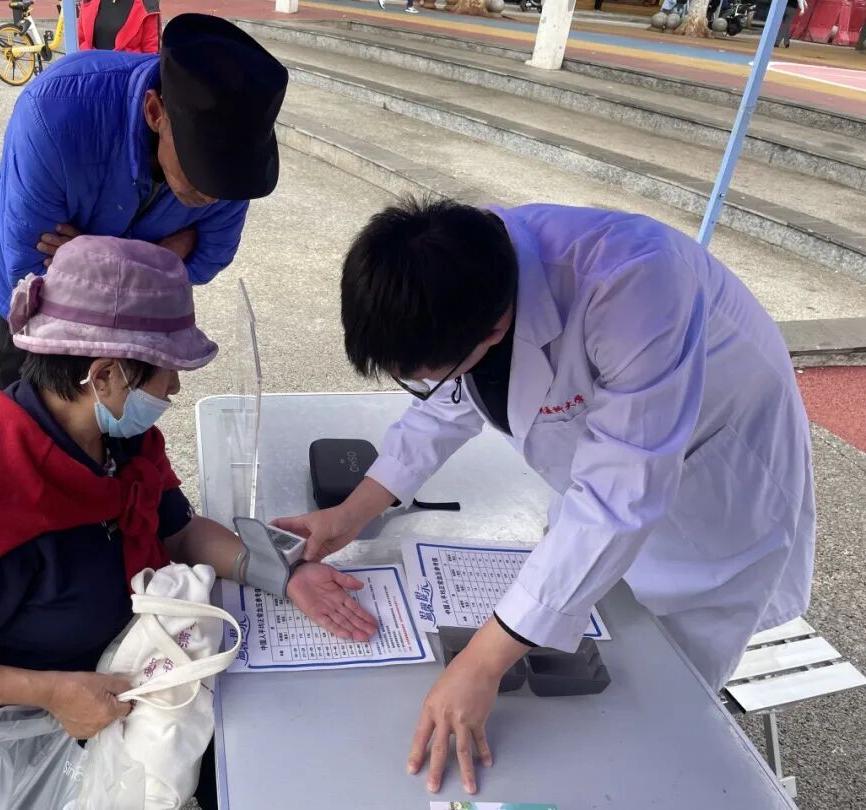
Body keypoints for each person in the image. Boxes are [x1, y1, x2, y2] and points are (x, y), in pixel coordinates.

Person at [275, 199, 815, 795]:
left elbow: (618, 498)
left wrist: (482, 662)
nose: (429, 386)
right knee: (582, 633)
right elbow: (447, 401)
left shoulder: (634, 285)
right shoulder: (453, 268)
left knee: (658, 699)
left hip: (713, 492)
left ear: (494, 329)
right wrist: (351, 513)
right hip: (606, 484)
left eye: (430, 372)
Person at [0, 237, 377, 810]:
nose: (175, 388)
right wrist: (52, 692)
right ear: (105, 374)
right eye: (166, 371)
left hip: (89, 684)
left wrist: (283, 575)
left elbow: (179, 531)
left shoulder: (113, 439)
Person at [0, 13, 288, 389]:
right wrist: (164, 255)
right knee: (18, 421)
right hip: (33, 319)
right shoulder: (52, 115)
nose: (213, 195)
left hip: (132, 339)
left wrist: (85, 256)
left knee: (118, 426)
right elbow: (32, 272)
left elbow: (210, 259)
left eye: (223, 180)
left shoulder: (232, 163)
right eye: (201, 168)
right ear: (155, 112)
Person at [78, 0, 162, 53]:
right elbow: (81, 42)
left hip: (129, 74)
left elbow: (151, 54)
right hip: (92, 72)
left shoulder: (147, 4)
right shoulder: (88, 1)